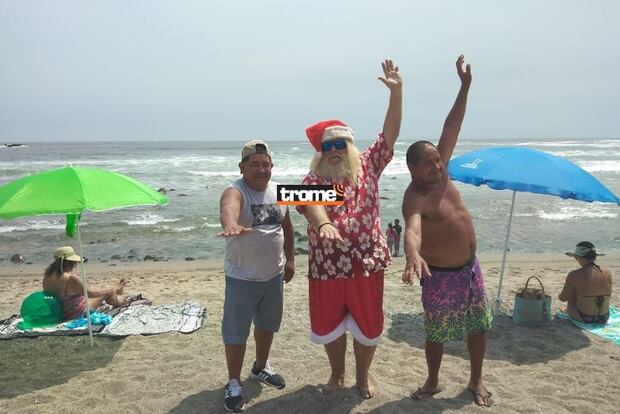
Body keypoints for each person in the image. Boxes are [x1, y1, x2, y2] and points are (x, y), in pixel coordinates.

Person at [297, 59, 402, 399]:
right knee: (329, 326)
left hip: (365, 264)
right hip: (326, 266)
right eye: (327, 147)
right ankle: (337, 374)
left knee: (367, 326)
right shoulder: (316, 178)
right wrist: (324, 223)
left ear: (350, 146)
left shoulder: (368, 166)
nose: (334, 151)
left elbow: (389, 135)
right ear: (320, 153)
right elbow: (308, 203)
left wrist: (396, 94)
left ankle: (363, 376)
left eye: (339, 144)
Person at [401, 55, 494, 407]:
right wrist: (412, 253)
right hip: (440, 275)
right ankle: (433, 381)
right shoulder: (415, 197)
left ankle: (476, 380)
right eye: (429, 164)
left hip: (470, 268)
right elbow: (412, 230)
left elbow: (451, 126)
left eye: (438, 160)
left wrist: (465, 86)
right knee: (436, 332)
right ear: (412, 169)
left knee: (478, 325)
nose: (437, 166)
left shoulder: (444, 174)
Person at [218, 140, 295, 413]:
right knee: (236, 331)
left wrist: (291, 260)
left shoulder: (280, 191)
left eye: (266, 164)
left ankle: (260, 367)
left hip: (273, 276)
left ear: (272, 166)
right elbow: (229, 208)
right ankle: (233, 381)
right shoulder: (235, 190)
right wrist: (231, 224)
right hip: (242, 278)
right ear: (242, 167)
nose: (261, 170)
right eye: (254, 165)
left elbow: (287, 226)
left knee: (267, 325)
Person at [42, 246, 127, 320]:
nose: (74, 265)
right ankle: (119, 300)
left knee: (95, 288)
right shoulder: (70, 278)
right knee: (107, 291)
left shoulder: (46, 278)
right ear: (69, 263)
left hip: (60, 313)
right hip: (76, 313)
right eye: (74, 263)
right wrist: (109, 290)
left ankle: (116, 290)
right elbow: (90, 294)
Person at [559, 241, 612, 324]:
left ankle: (569, 311)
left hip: (585, 318)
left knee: (571, 295)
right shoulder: (607, 272)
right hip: (604, 317)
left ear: (579, 257)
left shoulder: (574, 274)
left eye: (576, 257)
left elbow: (563, 298)